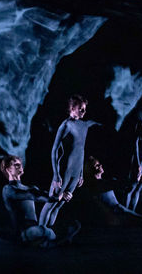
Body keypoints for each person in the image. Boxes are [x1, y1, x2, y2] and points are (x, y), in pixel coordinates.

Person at [38, 95, 100, 228]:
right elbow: (54, 150)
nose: (84, 111)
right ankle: (39, 234)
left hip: (76, 172)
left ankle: (47, 233)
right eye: (81, 109)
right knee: (52, 202)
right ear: (72, 108)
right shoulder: (66, 125)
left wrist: (81, 173)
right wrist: (56, 174)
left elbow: (81, 150)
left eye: (84, 109)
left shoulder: (83, 125)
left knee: (59, 205)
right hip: (65, 171)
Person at [0, 155, 79, 247]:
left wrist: (64, 194)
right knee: (43, 231)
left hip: (35, 228)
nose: (20, 166)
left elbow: (43, 194)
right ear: (8, 170)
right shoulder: (8, 189)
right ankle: (52, 242)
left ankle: (47, 241)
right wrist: (58, 197)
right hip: (23, 233)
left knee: (47, 228)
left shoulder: (30, 187)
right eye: (16, 165)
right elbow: (34, 195)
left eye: (20, 164)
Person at [83, 156, 142, 225]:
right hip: (114, 217)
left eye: (99, 163)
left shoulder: (106, 182)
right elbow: (120, 184)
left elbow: (127, 187)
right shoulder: (97, 184)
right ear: (90, 169)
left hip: (119, 212)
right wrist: (137, 180)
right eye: (97, 165)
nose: (101, 165)